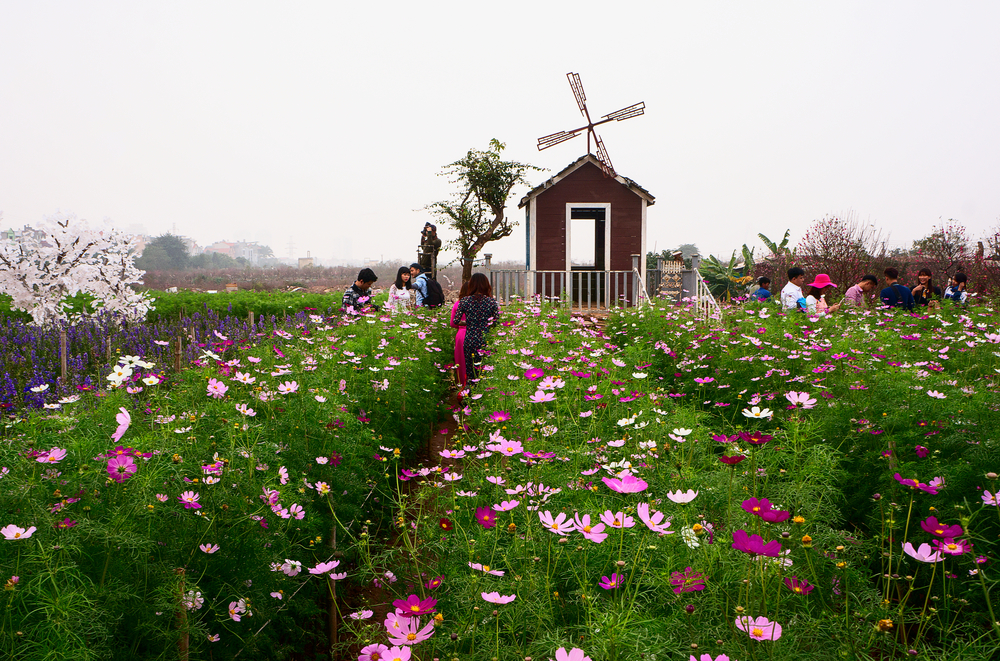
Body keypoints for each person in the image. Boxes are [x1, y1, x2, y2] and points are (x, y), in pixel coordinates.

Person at [455, 273, 499, 382]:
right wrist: (484, 322)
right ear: (486, 285)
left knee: (471, 372)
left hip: (469, 340)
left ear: (471, 285)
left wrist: (469, 321)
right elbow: (496, 321)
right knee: (485, 371)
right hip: (485, 339)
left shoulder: (465, 301)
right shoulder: (491, 302)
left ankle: (470, 394)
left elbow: (456, 321)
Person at [449, 280, 470, 387]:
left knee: (461, 362)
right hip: (477, 333)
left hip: (461, 334)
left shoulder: (458, 304)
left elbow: (452, 323)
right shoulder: (478, 304)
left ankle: (462, 388)